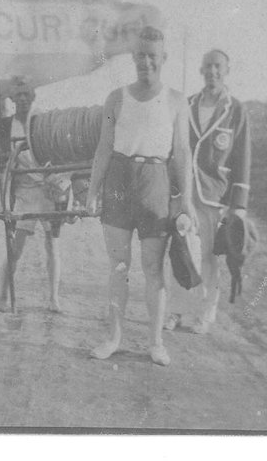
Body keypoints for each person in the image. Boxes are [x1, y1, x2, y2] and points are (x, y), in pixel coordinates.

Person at [86, 26, 195, 366]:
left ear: (163, 58)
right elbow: (103, 147)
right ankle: (114, 338)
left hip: (155, 184)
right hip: (119, 181)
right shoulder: (114, 99)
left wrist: (186, 202)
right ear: (133, 58)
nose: (146, 61)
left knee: (153, 270)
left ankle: (155, 342)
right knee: (118, 267)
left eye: (153, 55)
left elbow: (182, 154)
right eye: (140, 55)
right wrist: (92, 189)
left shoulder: (177, 101)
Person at [165, 49, 251, 334]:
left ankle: (204, 315)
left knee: (208, 258)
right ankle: (176, 311)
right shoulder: (186, 104)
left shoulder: (235, 110)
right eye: (208, 67)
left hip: (214, 196)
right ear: (201, 71)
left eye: (218, 67)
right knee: (179, 250)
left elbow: (242, 159)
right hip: (184, 194)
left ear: (227, 70)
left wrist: (238, 206)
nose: (212, 72)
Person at [0, 77, 70, 313]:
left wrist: (57, 181)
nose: (23, 99)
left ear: (34, 95)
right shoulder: (4, 125)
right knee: (15, 247)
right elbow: (1, 159)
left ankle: (53, 298)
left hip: (48, 189)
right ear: (12, 98)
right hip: (24, 190)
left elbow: (59, 152)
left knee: (52, 244)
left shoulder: (44, 120)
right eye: (18, 95)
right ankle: (2, 296)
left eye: (27, 94)